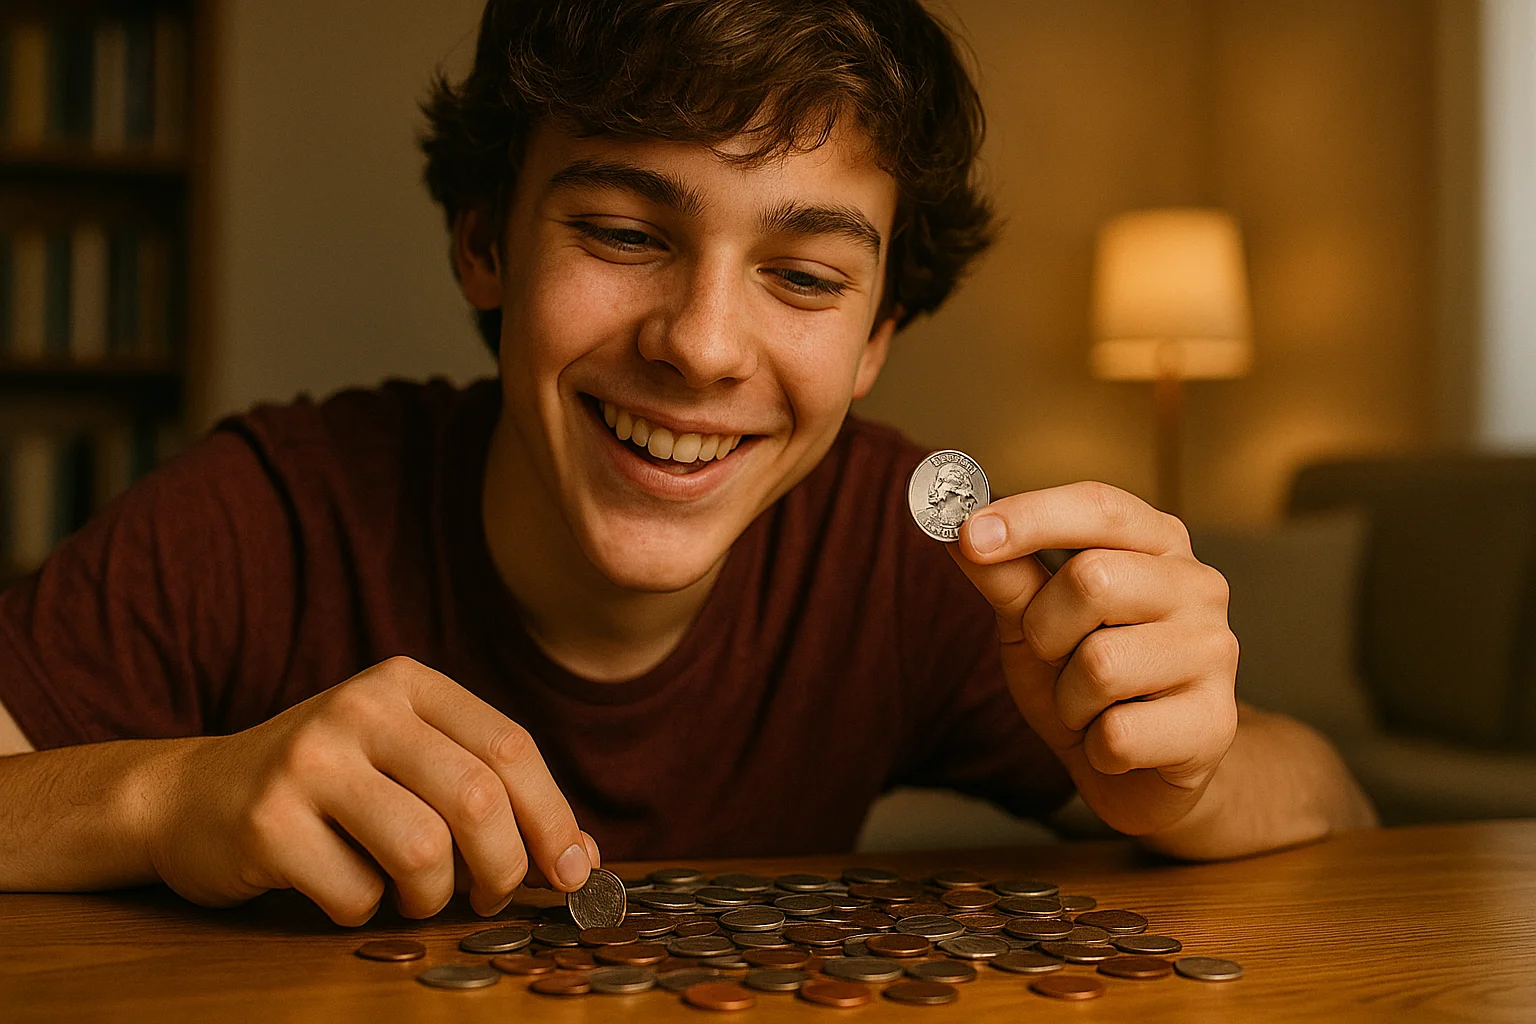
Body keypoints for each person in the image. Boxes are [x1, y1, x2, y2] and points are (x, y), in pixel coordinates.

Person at [0, 0, 1376, 928]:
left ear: (878, 337)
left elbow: (1334, 797)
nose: (704, 347)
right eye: (623, 232)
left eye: (805, 274)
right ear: (485, 241)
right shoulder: (271, 512)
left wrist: (1182, 780)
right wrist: (170, 797)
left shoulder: (900, 559)